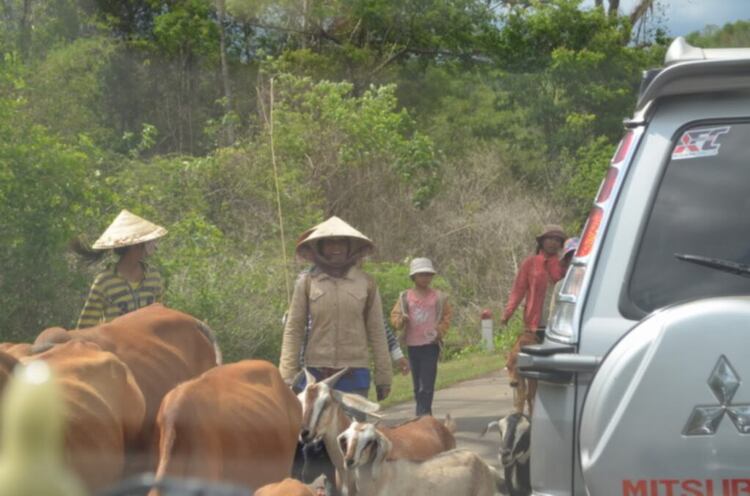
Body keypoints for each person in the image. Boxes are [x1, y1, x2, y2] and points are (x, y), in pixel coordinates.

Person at [279, 216, 392, 401]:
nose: (336, 249)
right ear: (320, 248)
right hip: (316, 373)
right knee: (314, 429)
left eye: (341, 243)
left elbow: (377, 331)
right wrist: (287, 375)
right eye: (330, 243)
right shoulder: (307, 283)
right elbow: (293, 329)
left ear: (351, 247)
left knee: (352, 428)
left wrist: (384, 377)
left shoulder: (366, 283)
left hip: (354, 374)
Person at [500, 224, 566, 415]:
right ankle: (528, 407)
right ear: (542, 241)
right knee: (529, 367)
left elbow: (562, 283)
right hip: (534, 324)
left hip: (558, 325)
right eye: (550, 238)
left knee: (553, 368)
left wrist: (556, 263)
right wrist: (508, 313)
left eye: (557, 240)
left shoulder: (564, 264)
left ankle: (548, 408)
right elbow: (519, 289)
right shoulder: (531, 263)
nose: (553, 243)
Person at [72, 209, 167, 329]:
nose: (154, 246)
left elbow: (162, 315)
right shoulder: (105, 281)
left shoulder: (153, 277)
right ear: (136, 245)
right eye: (149, 241)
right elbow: (85, 327)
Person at [390, 258, 452, 417]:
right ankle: (423, 415)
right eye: (421, 274)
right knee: (417, 384)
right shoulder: (405, 297)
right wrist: (401, 320)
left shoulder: (439, 297)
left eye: (428, 274)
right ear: (413, 277)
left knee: (427, 383)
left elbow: (447, 317)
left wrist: (439, 331)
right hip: (412, 345)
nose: (425, 278)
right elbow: (395, 318)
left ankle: (423, 415)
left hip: (430, 345)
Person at [547, 237, 579, 320]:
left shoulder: (594, 285)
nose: (573, 260)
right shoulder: (561, 286)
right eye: (570, 257)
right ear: (566, 261)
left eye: (576, 256)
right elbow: (552, 315)